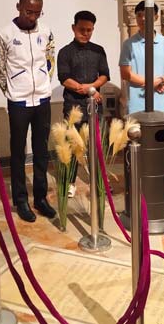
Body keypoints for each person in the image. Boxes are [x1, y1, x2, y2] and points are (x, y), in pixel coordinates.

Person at [0, 0, 57, 222]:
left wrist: (43, 83)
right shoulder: (4, 34)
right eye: (29, 12)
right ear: (18, 6)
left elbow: (50, 60)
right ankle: (20, 200)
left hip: (42, 99)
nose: (32, 17)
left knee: (41, 151)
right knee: (18, 151)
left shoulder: (46, 31)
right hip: (18, 101)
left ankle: (40, 197)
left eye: (37, 13)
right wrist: (11, 91)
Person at [57, 10, 110, 197]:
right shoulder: (65, 52)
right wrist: (87, 89)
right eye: (82, 29)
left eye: (89, 30)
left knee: (98, 144)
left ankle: (99, 180)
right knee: (73, 145)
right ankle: (70, 182)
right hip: (73, 105)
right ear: (73, 28)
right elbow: (64, 78)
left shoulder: (98, 50)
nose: (86, 33)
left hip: (95, 105)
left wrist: (91, 87)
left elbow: (105, 75)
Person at [119, 0, 164, 114]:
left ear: (156, 17)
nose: (143, 19)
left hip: (161, 103)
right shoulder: (128, 44)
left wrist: (160, 80)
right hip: (137, 104)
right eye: (139, 15)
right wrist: (152, 84)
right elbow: (125, 73)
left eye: (147, 15)